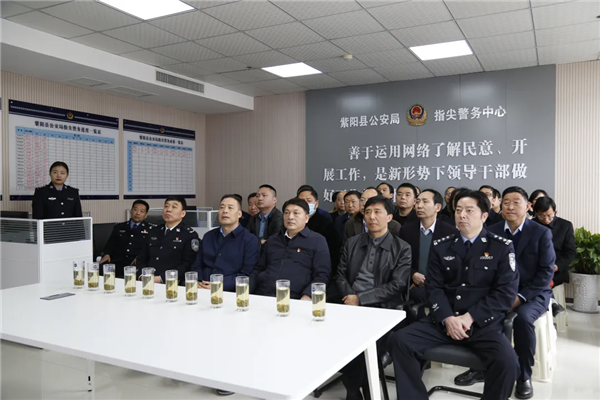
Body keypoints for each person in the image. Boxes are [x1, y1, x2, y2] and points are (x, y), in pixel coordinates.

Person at [389, 190, 520, 400]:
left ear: (484, 216)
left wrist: (469, 318)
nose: (462, 215)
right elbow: (434, 288)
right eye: (458, 210)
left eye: (469, 210)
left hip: (482, 324)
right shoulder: (442, 246)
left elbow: (505, 293)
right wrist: (448, 318)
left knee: (508, 363)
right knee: (400, 341)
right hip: (443, 321)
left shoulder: (501, 247)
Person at [456, 186, 555, 399]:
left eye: (516, 202)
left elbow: (545, 273)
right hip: (499, 290)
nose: (510, 207)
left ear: (528, 206)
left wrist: (519, 297)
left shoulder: (541, 233)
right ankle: (479, 367)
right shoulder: (491, 231)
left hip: (531, 293)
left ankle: (523, 375)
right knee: (477, 309)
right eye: (506, 202)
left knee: (522, 320)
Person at [336, 196, 411, 400]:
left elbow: (397, 285)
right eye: (368, 212)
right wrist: (351, 297)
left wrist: (360, 299)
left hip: (382, 308)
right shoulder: (352, 243)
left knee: (363, 345)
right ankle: (363, 390)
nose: (371, 217)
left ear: (389, 217)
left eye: (377, 212)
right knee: (340, 340)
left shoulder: (402, 248)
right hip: (349, 305)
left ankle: (354, 390)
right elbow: (340, 275)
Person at [251, 197, 331, 300]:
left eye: (296, 213)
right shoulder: (273, 240)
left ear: (306, 218)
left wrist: (308, 295)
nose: (290, 217)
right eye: (287, 213)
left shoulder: (317, 240)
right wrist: (248, 289)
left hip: (296, 298)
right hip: (264, 295)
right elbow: (259, 269)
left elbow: (322, 275)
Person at [399, 189, 457, 307]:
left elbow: (451, 266)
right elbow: (400, 260)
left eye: (425, 202)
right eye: (417, 202)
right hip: (412, 284)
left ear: (438, 207)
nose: (419, 206)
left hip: (439, 285)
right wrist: (412, 274)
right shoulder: (406, 230)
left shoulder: (450, 232)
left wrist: (430, 281)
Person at [194, 194, 260, 292]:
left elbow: (246, 274)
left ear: (239, 214)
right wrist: (198, 281)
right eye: (222, 207)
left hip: (229, 291)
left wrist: (218, 285)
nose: (225, 211)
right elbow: (197, 265)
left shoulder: (250, 240)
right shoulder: (208, 236)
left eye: (230, 208)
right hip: (201, 288)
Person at [136, 196, 200, 284]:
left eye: (174, 207)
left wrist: (161, 278)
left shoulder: (189, 235)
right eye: (166, 206)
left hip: (171, 283)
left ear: (183, 213)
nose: (168, 210)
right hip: (146, 280)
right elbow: (141, 258)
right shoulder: (153, 231)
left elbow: (187, 265)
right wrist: (142, 275)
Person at [99, 200, 151, 278]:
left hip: (135, 264)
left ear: (146, 215)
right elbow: (109, 246)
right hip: (117, 262)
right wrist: (106, 254)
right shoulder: (119, 227)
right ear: (131, 211)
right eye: (135, 209)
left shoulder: (150, 230)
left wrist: (140, 259)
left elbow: (151, 251)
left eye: (142, 211)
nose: (138, 213)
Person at [298, 188, 341, 279]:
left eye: (309, 200)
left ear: (316, 204)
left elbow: (333, 254)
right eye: (301, 201)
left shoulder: (326, 223)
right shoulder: (293, 222)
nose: (305, 204)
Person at [533, 197, 576, 289]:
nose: (546, 219)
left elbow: (570, 251)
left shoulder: (565, 225)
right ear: (536, 212)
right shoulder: (530, 225)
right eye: (541, 216)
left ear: (555, 211)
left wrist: (557, 266)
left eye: (549, 215)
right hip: (533, 274)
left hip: (555, 276)